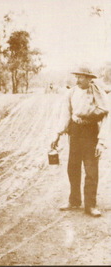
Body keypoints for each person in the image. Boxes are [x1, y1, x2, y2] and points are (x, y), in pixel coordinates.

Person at [51, 66, 109, 217]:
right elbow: (65, 114)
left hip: (91, 132)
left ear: (90, 78)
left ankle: (91, 205)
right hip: (75, 132)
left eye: (81, 77)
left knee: (91, 169)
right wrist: (57, 134)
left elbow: (106, 118)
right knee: (73, 166)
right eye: (76, 77)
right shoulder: (71, 93)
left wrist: (101, 142)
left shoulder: (99, 94)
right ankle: (74, 201)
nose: (77, 80)